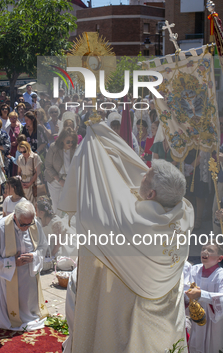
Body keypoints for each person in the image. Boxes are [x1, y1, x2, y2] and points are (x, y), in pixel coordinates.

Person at [59, 120, 193, 352]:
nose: (141, 174)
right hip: (168, 310)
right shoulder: (185, 214)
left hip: (139, 312)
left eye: (146, 175)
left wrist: (95, 148)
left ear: (151, 193)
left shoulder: (135, 227)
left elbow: (92, 219)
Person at [0, 200, 49, 330]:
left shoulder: (34, 224)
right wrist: (13, 262)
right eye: (23, 224)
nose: (26, 227)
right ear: (15, 217)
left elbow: (43, 246)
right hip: (9, 277)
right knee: (11, 306)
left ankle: (29, 313)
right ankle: (9, 315)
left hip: (29, 276)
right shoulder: (0, 228)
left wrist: (34, 256)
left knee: (27, 303)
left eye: (29, 223)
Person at [184, 242, 223, 353]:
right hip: (199, 321)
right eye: (203, 249)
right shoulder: (194, 270)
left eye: (210, 250)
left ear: (220, 258)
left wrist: (201, 295)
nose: (205, 252)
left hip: (217, 324)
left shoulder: (222, 276)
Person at [45, 128, 77, 215]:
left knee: (69, 205)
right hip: (54, 180)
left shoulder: (75, 149)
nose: (70, 144)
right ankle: (58, 225)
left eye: (72, 141)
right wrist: (59, 180)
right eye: (68, 141)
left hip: (69, 180)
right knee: (57, 205)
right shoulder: (53, 147)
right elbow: (48, 166)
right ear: (62, 140)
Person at [17, 141, 41, 206]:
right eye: (21, 152)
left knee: (33, 204)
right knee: (24, 204)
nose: (23, 153)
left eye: (24, 151)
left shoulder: (35, 157)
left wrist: (30, 183)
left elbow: (38, 172)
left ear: (28, 149)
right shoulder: (20, 158)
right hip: (23, 183)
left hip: (33, 183)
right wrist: (20, 182)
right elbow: (19, 172)